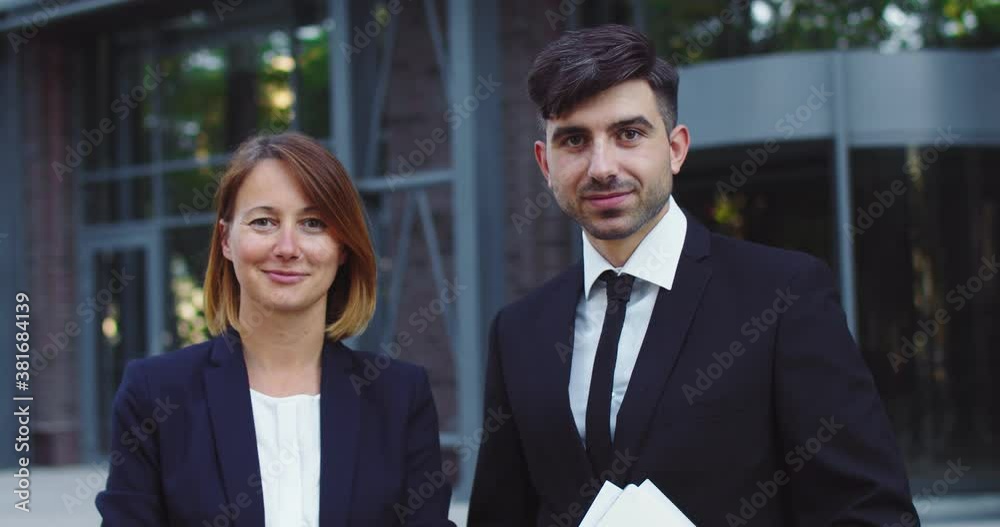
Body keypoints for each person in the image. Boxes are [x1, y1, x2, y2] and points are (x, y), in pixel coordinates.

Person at [468, 24, 918, 527]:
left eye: (629, 134)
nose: (601, 166)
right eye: (574, 140)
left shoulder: (782, 296)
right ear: (544, 162)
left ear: (676, 148)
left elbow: (872, 514)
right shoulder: (518, 331)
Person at [96, 132, 455, 526]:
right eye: (263, 221)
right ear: (226, 240)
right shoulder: (155, 394)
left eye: (313, 223)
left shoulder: (398, 397)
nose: (287, 246)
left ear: (342, 248)